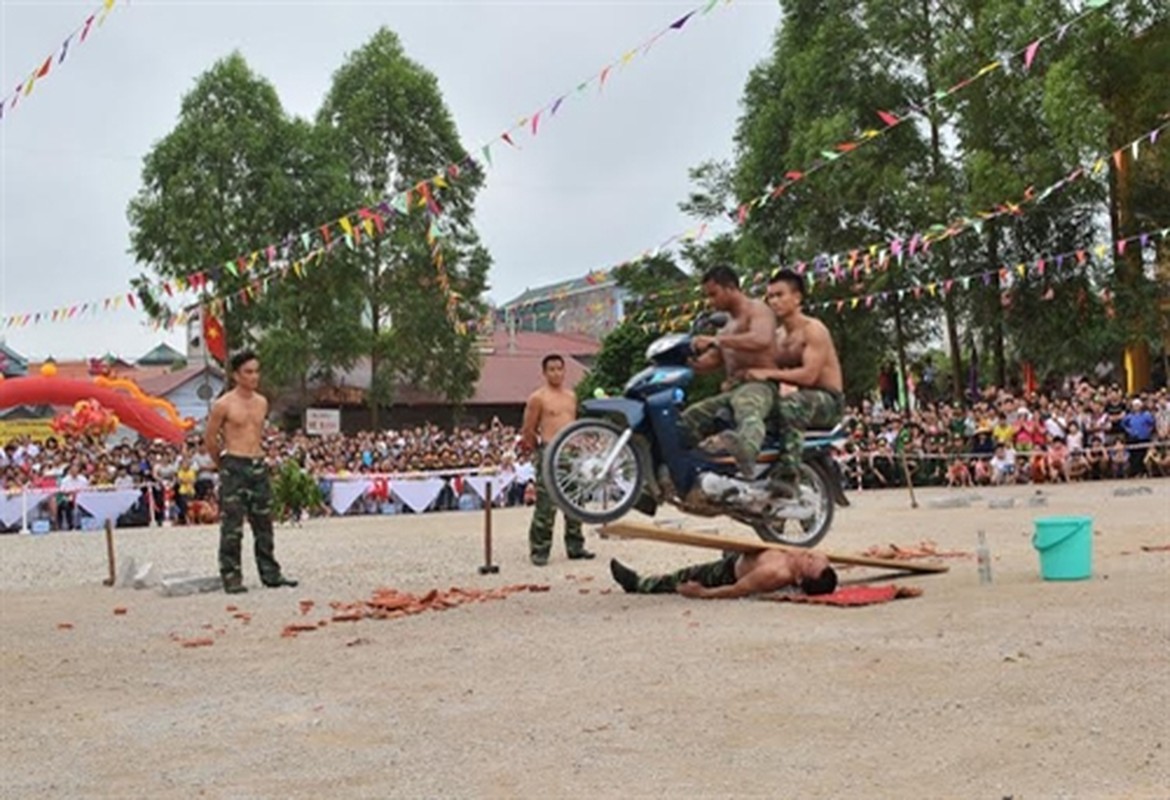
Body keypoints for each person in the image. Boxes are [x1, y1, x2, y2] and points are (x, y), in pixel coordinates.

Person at [741, 269, 844, 490]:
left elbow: (809, 375)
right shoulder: (777, 336)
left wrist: (769, 375)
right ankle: (752, 473)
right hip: (797, 397)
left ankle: (788, 477)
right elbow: (765, 372)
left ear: (797, 298)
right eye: (770, 296)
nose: (774, 301)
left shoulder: (814, 330)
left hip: (828, 402)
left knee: (792, 405)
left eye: (780, 295)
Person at [204, 350, 297, 594]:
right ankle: (232, 576)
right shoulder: (223, 404)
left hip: (257, 464)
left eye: (256, 371)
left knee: (264, 523)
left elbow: (257, 433)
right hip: (234, 464)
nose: (254, 376)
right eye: (248, 372)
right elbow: (210, 439)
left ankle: (271, 573)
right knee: (232, 525)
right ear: (236, 375)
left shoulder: (261, 402)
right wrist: (222, 463)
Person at [681, 265, 778, 477]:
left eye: (713, 294)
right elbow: (710, 362)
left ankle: (747, 455)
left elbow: (761, 339)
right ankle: (693, 469)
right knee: (689, 417)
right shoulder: (724, 327)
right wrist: (683, 359)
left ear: (731, 287)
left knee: (747, 410)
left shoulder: (758, 309)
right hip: (731, 390)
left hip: (760, 385)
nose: (710, 301)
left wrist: (715, 340)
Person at [521, 354, 594, 566]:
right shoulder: (538, 397)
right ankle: (540, 550)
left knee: (575, 500)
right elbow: (528, 429)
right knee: (546, 503)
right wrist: (541, 450)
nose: (556, 373)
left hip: (571, 451)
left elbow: (574, 423)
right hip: (549, 449)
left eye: (559, 369)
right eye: (551, 369)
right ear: (544, 373)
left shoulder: (571, 396)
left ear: (564, 371)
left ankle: (575, 546)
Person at [608, 549, 838, 599]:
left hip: (727, 573)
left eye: (808, 563)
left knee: (681, 577)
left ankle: (639, 583)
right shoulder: (821, 562)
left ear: (799, 579)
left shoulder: (773, 573)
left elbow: (738, 590)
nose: (807, 556)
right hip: (744, 553)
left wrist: (702, 593)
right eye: (811, 558)